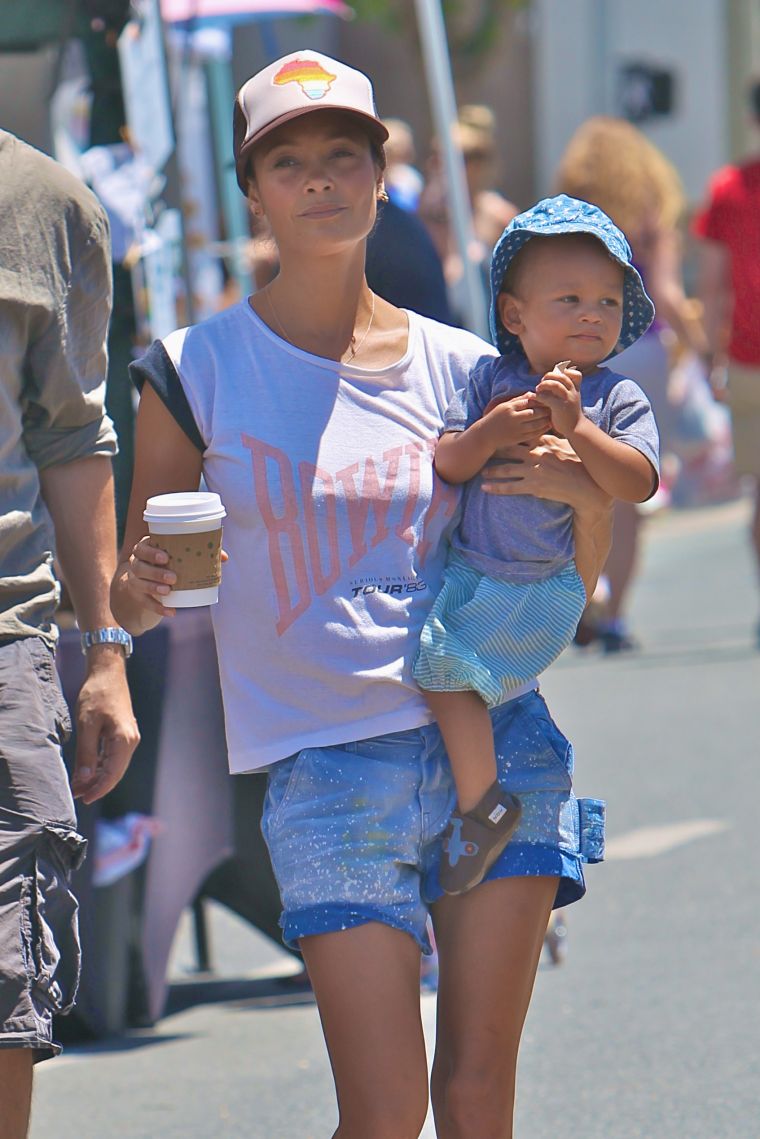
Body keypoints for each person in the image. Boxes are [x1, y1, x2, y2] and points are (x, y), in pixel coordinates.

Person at [112, 50, 611, 1139]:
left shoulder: (467, 364)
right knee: (381, 1113)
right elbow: (138, 581)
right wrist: (138, 588)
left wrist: (586, 491)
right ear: (252, 191)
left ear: (382, 177)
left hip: (495, 746)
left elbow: (557, 547)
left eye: (345, 156)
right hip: (326, 767)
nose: (320, 179)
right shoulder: (190, 369)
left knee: (477, 1102)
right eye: (288, 162)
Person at [413, 195, 659, 894]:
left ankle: (483, 801)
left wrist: (578, 428)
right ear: (516, 316)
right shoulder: (491, 380)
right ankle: (496, 796)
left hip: (545, 584)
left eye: (608, 302)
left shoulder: (615, 398)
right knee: (450, 681)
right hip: (476, 576)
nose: (592, 314)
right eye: (571, 299)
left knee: (445, 675)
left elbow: (635, 481)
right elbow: (452, 462)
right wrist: (491, 430)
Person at [0, 130, 140, 1139]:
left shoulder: (43, 202)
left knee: (9, 986)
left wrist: (105, 655)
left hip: (6, 640)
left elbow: (71, 435)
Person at [555, 116, 707, 651]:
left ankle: (583, 599)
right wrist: (700, 343)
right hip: (642, 350)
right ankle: (615, 615)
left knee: (579, 483)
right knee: (630, 487)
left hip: (578, 348)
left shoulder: (572, 215)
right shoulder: (649, 217)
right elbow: (665, 291)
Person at [693, 80, 760, 645]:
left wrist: (711, 356)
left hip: (744, 359)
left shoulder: (730, 187)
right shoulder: (728, 190)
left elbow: (712, 286)